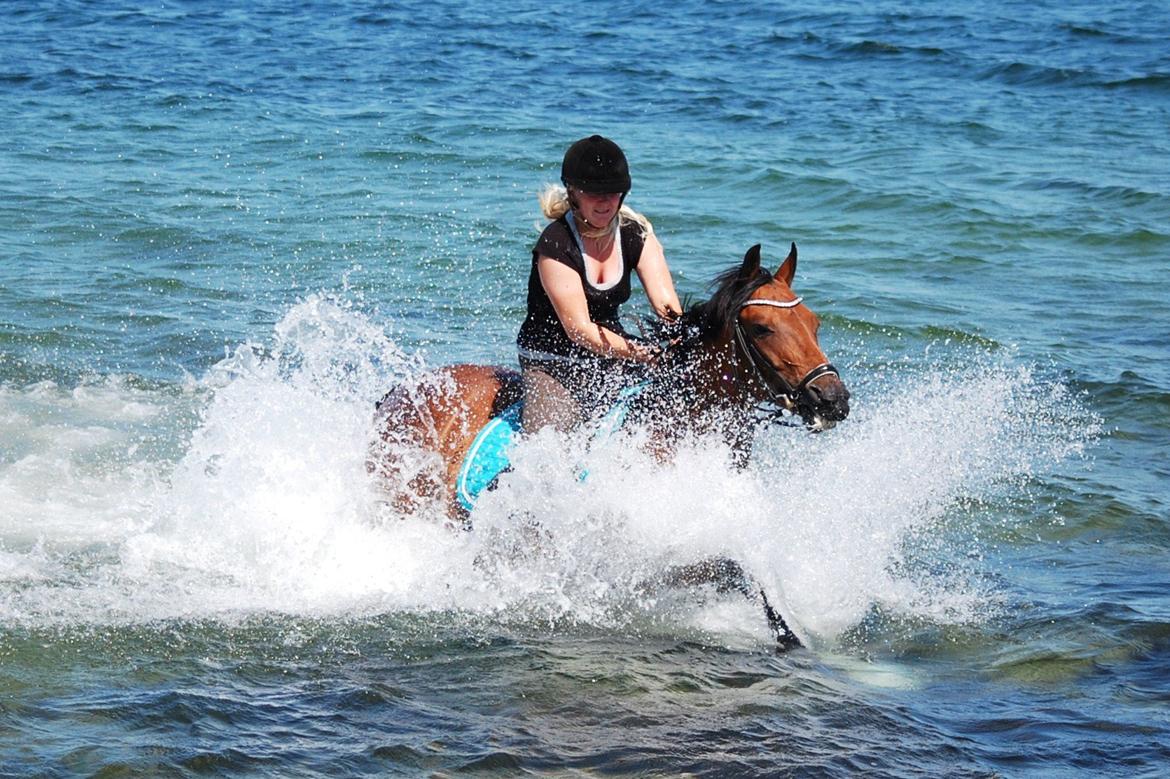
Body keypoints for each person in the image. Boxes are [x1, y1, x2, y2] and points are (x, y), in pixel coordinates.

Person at [516, 135, 683, 433]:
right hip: (553, 362)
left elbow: (668, 309)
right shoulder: (556, 244)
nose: (605, 202)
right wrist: (640, 352)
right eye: (593, 193)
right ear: (573, 194)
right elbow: (579, 330)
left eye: (613, 192)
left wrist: (680, 342)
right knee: (551, 447)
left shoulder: (637, 234)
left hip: (612, 353)